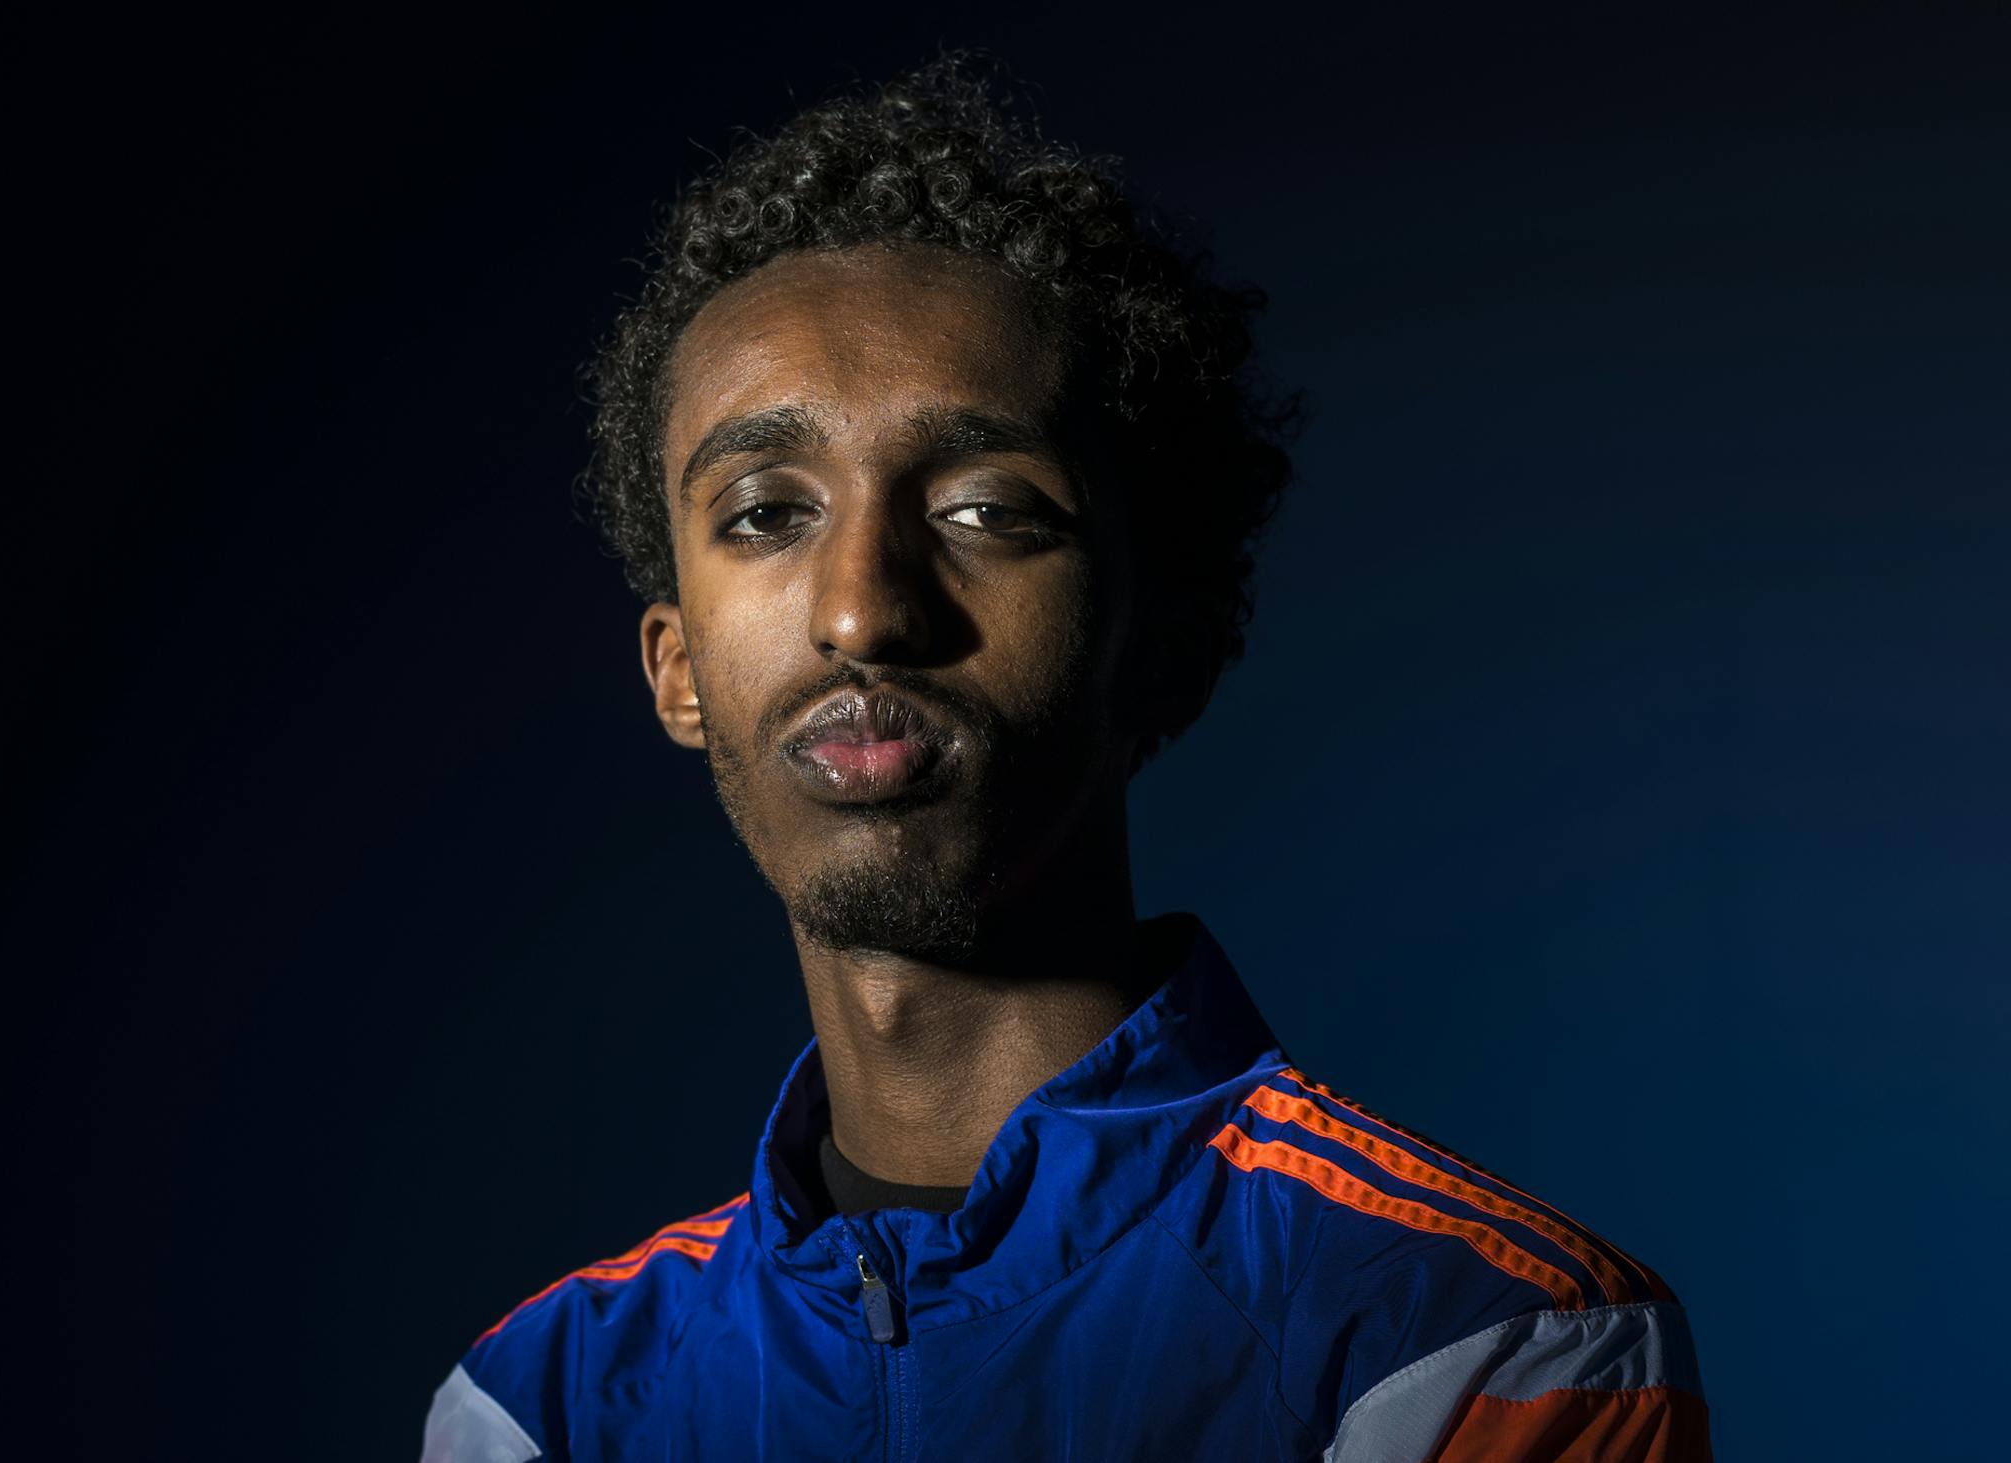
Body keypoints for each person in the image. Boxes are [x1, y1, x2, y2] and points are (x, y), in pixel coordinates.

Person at [421, 52, 1712, 1462]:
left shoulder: (1480, 1342)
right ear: (677, 669)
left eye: (986, 510)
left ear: (1163, 636)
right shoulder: (537, 1407)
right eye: (765, 514)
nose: (863, 610)